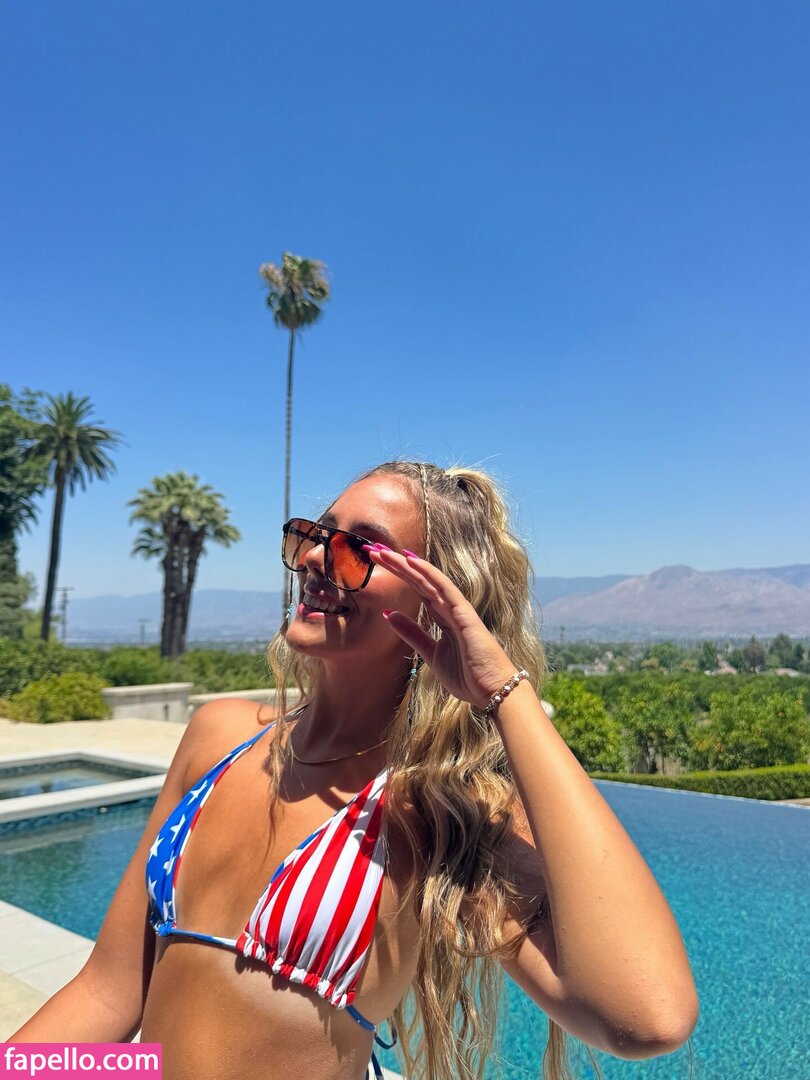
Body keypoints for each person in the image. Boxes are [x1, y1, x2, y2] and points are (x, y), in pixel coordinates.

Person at [11, 460, 699, 1079]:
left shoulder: (439, 809)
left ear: (440, 599)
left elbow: (648, 1016)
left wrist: (505, 695)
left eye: (362, 549)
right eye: (317, 534)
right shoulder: (219, 737)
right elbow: (109, 991)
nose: (316, 557)